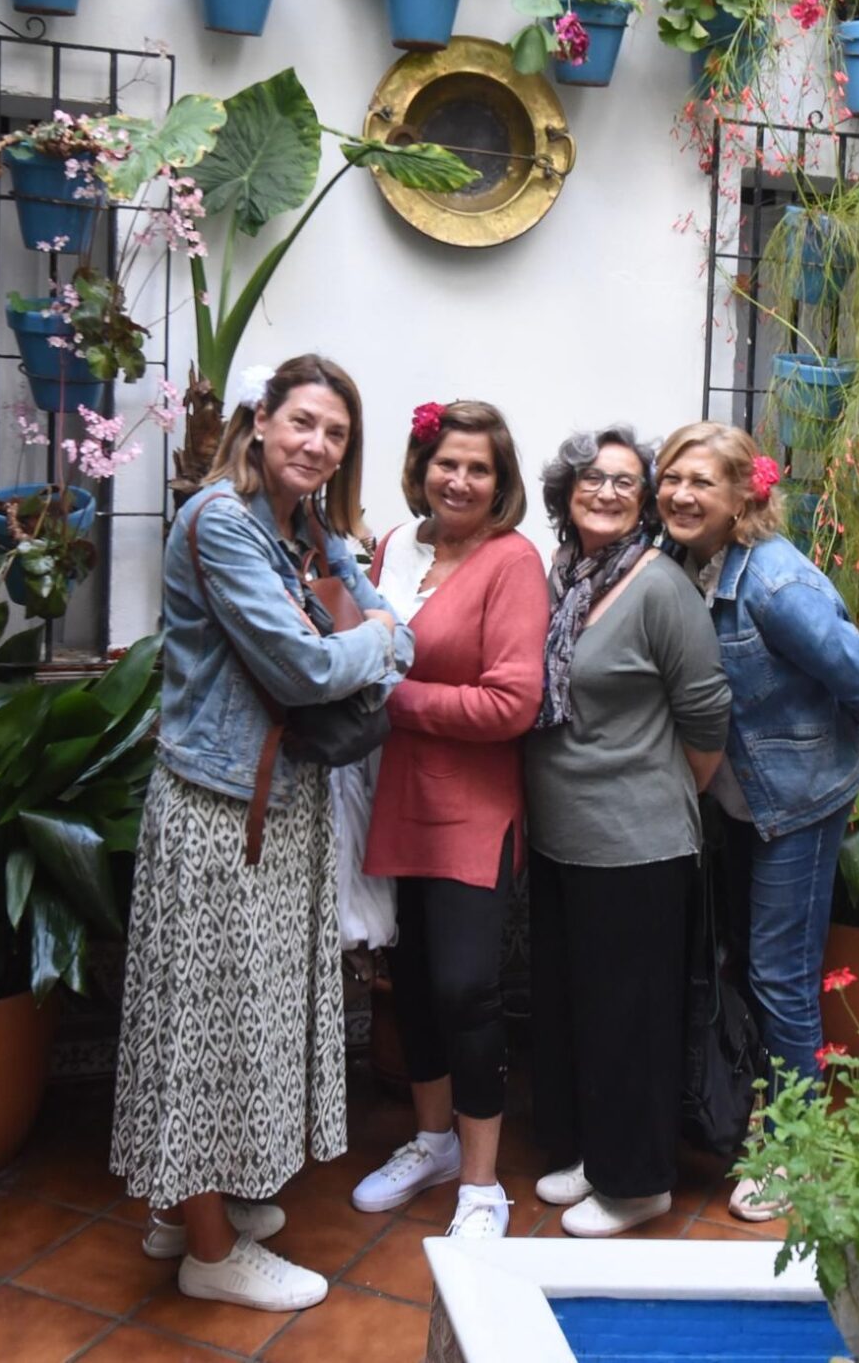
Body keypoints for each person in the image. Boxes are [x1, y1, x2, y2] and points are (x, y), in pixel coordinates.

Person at [109, 356, 412, 1313]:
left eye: (335, 433)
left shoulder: (306, 526)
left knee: (241, 1023)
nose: (318, 445)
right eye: (304, 423)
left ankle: (187, 1209)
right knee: (202, 1026)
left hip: (278, 809)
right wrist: (386, 641)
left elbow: (353, 616)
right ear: (261, 420)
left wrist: (364, 633)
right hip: (218, 815)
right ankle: (208, 1252)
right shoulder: (220, 522)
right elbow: (301, 666)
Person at [654, 421, 859, 1222]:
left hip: (796, 801)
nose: (682, 494)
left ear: (742, 497)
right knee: (748, 968)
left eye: (702, 482)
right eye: (672, 478)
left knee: (780, 975)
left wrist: (817, 744)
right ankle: (764, 1117)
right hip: (739, 801)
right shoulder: (684, 567)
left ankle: (797, 1153)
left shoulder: (774, 586)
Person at [523, 426, 732, 1238]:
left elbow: (706, 710)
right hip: (561, 832)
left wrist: (671, 786)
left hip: (638, 839)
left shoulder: (658, 587)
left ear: (643, 500)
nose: (607, 492)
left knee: (633, 1018)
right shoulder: (564, 576)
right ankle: (597, 1154)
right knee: (581, 1008)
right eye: (592, 478)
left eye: (624, 481)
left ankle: (639, 1180)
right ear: (565, 492)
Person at [349, 400, 549, 1240]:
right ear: (421, 465)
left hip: (472, 801)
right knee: (416, 983)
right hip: (395, 792)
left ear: (499, 483)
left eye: (478, 468)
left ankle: (481, 1183)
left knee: (469, 987)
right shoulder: (396, 547)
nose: (459, 480)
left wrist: (394, 696)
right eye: (445, 462)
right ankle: (430, 1142)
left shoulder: (513, 563)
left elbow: (513, 702)